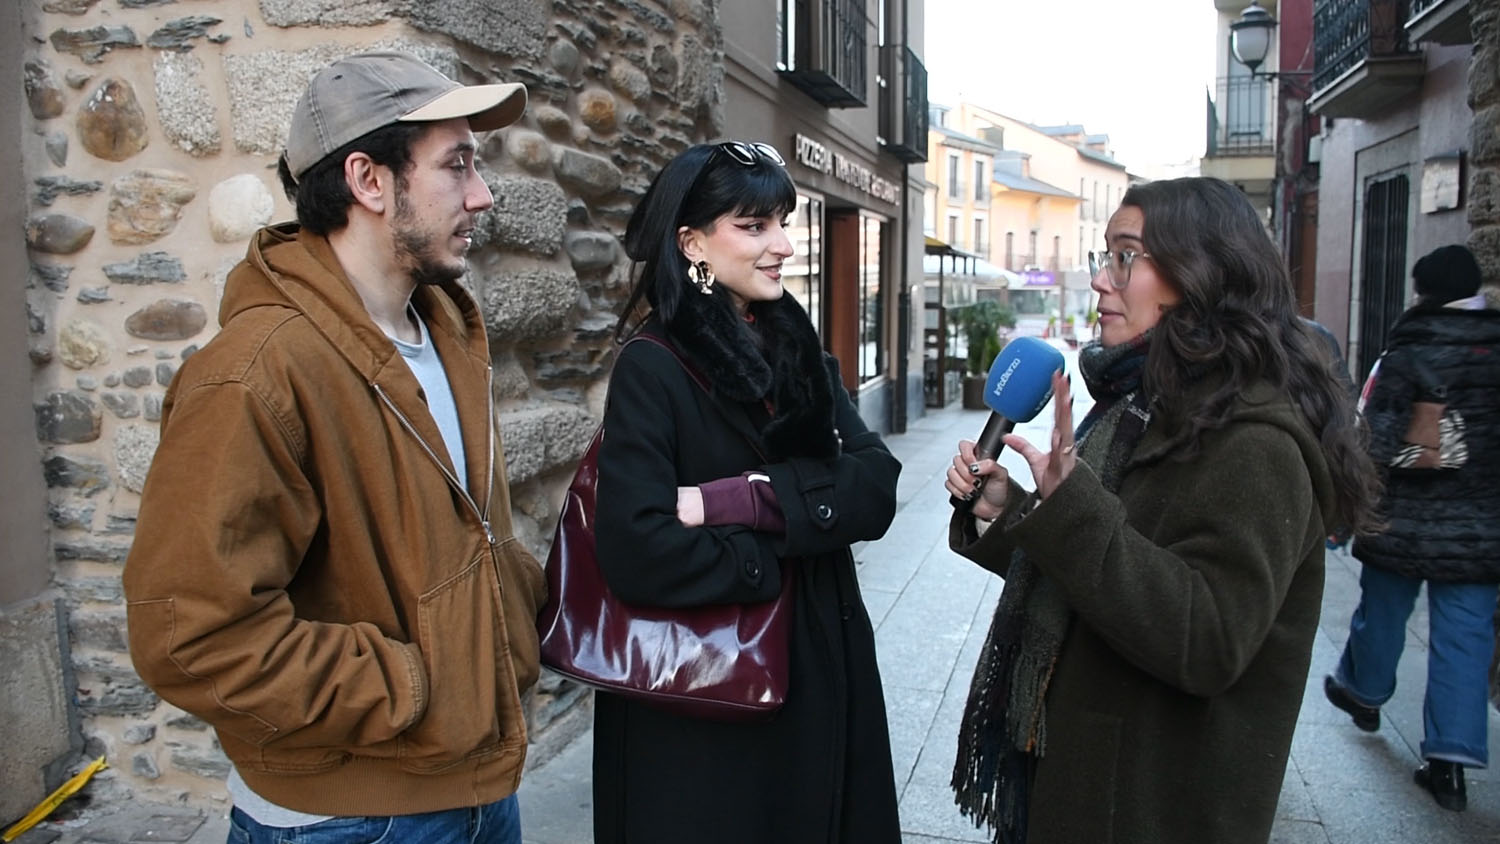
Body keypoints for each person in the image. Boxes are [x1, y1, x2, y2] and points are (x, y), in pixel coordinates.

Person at [123, 51, 547, 843]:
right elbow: (188, 636)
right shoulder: (255, 374)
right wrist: (412, 686)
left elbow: (449, 547)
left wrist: (524, 608)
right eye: (456, 165)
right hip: (346, 822)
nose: (482, 195)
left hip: (483, 789)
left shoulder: (447, 336)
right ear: (369, 180)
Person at [943, 177, 1381, 844]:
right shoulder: (1144, 404)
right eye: (1104, 257)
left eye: (1125, 257)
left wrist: (1073, 509)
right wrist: (1013, 512)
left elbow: (1207, 639)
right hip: (1082, 777)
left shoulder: (1256, 439)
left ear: (1199, 272)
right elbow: (1105, 565)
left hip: (1149, 807)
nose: (1100, 282)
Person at [590, 141, 903, 842]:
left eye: (782, 223)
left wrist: (748, 501)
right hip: (707, 703)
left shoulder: (794, 346)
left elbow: (877, 484)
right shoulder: (654, 365)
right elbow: (639, 548)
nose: (784, 246)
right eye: (754, 226)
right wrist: (782, 557)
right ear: (691, 242)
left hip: (821, 672)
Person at [1324, 244, 1500, 812]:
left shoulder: (1408, 348)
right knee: (1465, 639)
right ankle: (1450, 764)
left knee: (1382, 612)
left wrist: (1348, 508)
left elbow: (1372, 437)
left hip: (1403, 519)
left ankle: (1366, 692)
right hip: (1482, 527)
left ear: (1423, 290)